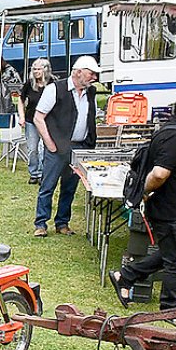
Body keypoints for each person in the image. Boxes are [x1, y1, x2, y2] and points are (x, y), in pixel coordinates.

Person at [111, 86, 176, 312]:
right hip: (174, 212)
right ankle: (171, 310)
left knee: (170, 255)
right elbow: (159, 173)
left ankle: (125, 276)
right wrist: (144, 191)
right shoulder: (175, 135)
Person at [33, 55, 103, 237]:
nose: (94, 78)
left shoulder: (91, 92)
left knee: (70, 187)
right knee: (48, 186)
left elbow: (90, 118)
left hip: (79, 147)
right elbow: (38, 118)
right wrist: (50, 144)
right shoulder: (54, 89)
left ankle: (62, 223)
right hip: (56, 148)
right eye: (91, 74)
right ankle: (41, 224)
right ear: (78, 72)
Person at [18, 57, 54, 183]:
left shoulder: (53, 83)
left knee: (43, 148)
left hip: (47, 121)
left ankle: (43, 173)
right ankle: (34, 173)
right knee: (32, 149)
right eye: (34, 69)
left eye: (39, 69)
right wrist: (21, 117)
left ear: (45, 70)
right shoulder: (29, 83)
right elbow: (20, 100)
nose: (36, 71)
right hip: (31, 121)